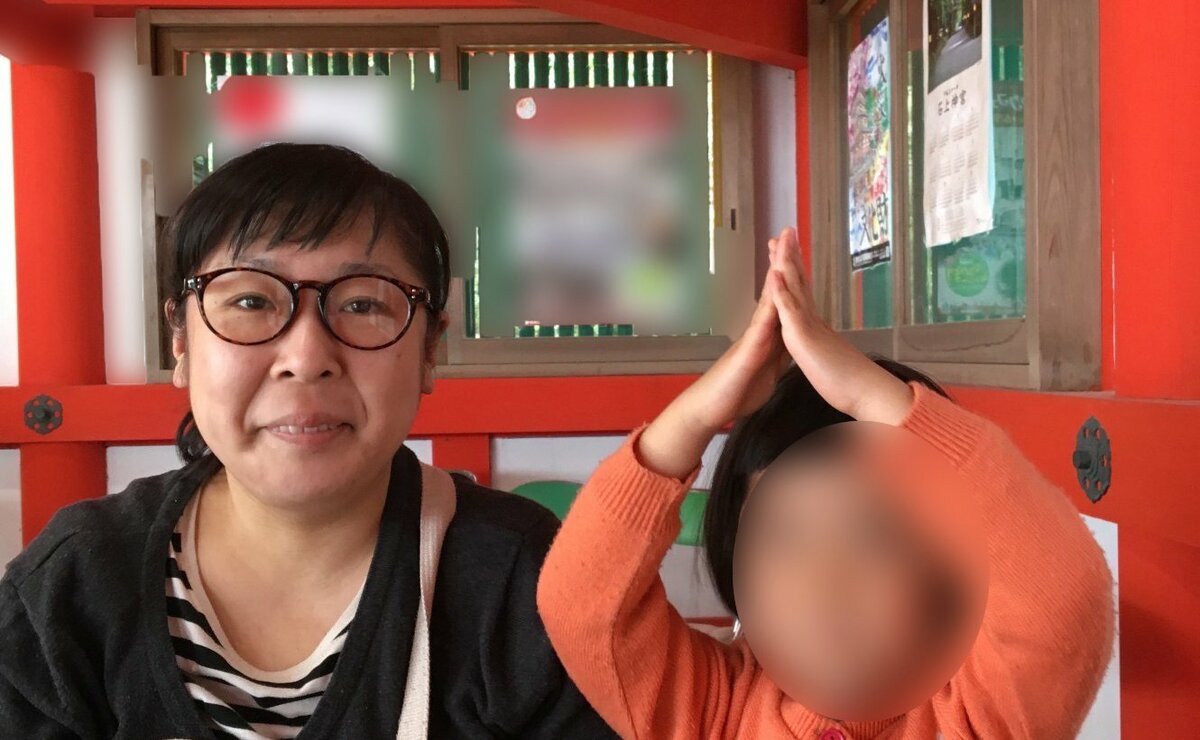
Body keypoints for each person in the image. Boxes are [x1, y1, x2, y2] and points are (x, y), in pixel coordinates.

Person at [0, 143, 616, 739]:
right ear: (180, 342)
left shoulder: (521, 579)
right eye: (250, 300)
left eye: (363, 305)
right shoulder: (75, 583)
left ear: (431, 348)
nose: (306, 357)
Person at [537, 227, 1114, 738]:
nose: (824, 582)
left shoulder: (979, 718)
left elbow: (1061, 597)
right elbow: (581, 604)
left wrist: (870, 396)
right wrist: (695, 416)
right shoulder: (711, 708)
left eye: (874, 537)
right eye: (781, 538)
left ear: (948, 568)